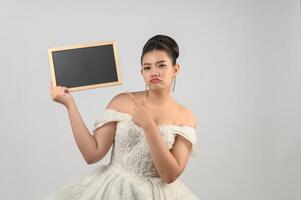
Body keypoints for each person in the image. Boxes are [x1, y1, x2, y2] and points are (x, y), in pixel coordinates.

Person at [43, 34, 199, 199]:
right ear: (141, 72)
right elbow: (92, 154)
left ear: (175, 70)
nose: (154, 72)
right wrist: (70, 105)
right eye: (147, 67)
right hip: (113, 191)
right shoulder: (122, 101)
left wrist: (148, 125)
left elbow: (170, 175)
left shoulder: (186, 117)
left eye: (161, 65)